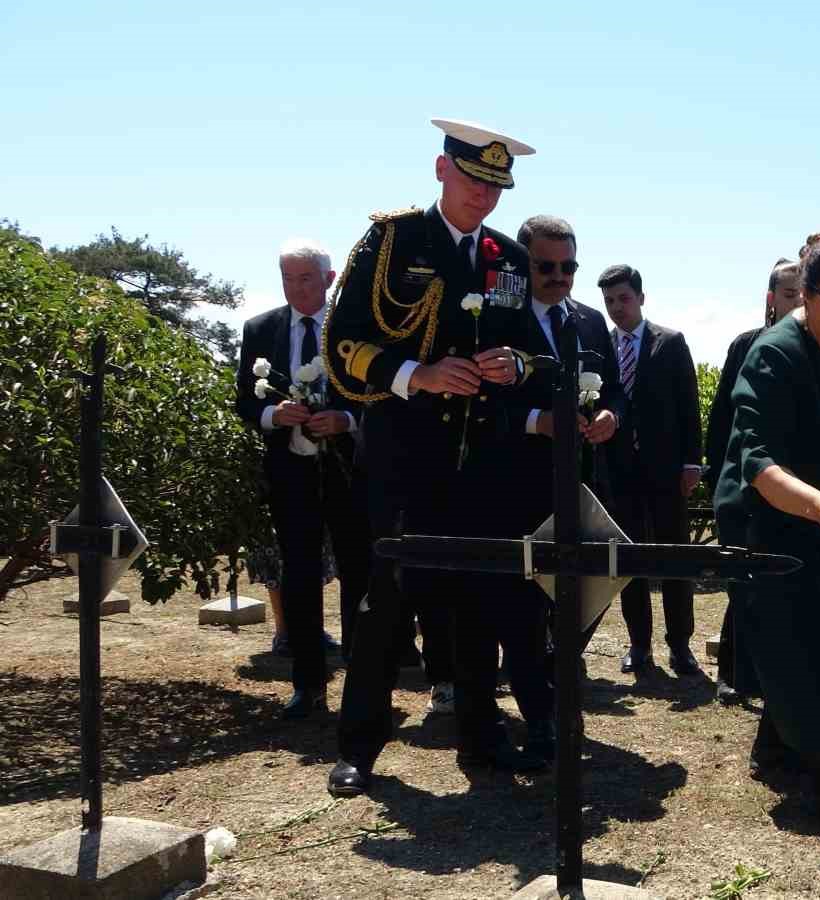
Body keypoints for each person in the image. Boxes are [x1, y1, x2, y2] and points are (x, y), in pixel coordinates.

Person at [323, 118, 542, 796]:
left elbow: (537, 350)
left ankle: (481, 738)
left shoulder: (507, 257)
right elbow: (342, 342)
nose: (485, 196)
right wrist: (414, 375)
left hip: (483, 461)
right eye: (475, 180)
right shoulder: (392, 240)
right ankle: (359, 746)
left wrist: (519, 364)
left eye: (496, 186)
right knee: (389, 599)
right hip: (406, 455)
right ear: (443, 170)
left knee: (478, 598)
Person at [713, 231, 820, 825]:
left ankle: (778, 748)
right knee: (789, 643)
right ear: (807, 297)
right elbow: (758, 464)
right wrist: (819, 507)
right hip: (766, 520)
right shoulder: (774, 354)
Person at [234, 238, 372, 719]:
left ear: (329, 280)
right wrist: (276, 412)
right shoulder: (261, 328)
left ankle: (363, 686)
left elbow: (380, 396)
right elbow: (245, 403)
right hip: (290, 473)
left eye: (306, 278)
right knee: (299, 576)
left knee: (359, 574)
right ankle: (308, 685)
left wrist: (346, 420)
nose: (296, 288)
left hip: (349, 474)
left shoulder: (356, 328)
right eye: (288, 278)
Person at [504, 214, 623, 756]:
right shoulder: (499, 320)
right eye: (545, 266)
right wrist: (537, 421)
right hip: (519, 483)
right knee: (527, 605)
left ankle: (554, 680)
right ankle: (540, 718)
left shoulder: (592, 322)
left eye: (568, 266)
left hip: (582, 482)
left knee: (589, 591)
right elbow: (482, 409)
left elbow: (616, 393)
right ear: (523, 263)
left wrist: (611, 420)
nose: (559, 276)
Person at [597, 264, 703, 678]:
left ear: (641, 297)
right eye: (609, 301)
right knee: (629, 560)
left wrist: (692, 462)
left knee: (675, 558)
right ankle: (638, 644)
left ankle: (681, 645)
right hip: (620, 472)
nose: (617, 308)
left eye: (623, 298)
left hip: (667, 471)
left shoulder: (670, 343)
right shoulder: (601, 346)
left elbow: (688, 406)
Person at [703, 258, 801, 704]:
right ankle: (733, 671)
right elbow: (723, 418)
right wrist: (720, 481)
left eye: (804, 293)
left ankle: (769, 674)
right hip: (743, 483)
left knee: (779, 586)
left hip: (794, 489)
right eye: (788, 294)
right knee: (743, 579)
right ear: (770, 299)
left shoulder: (817, 350)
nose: (798, 301)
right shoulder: (748, 345)